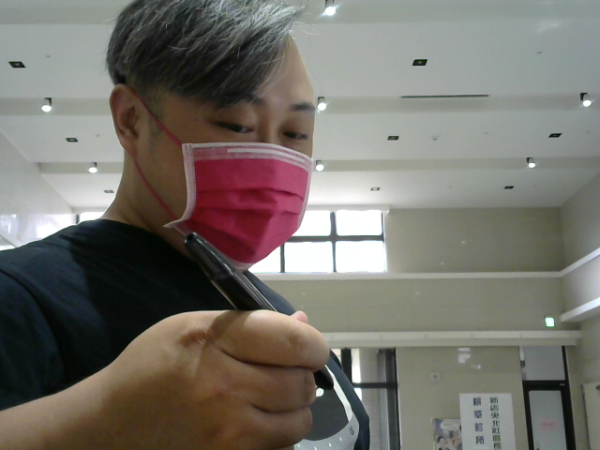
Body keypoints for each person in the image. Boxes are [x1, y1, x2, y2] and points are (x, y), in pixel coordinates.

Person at [0, 1, 370, 449]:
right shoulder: (22, 297)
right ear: (132, 120)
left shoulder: (272, 312)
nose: (272, 158)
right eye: (237, 125)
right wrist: (101, 421)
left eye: (296, 133)